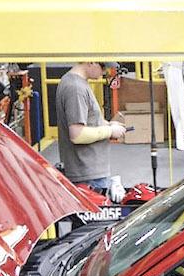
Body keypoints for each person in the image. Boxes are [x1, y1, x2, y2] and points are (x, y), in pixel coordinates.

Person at [54, 62, 128, 199]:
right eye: (103, 67)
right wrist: (110, 131)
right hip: (87, 174)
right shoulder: (75, 88)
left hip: (90, 172)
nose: (105, 72)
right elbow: (77, 134)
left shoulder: (78, 84)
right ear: (91, 61)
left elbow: (87, 120)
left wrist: (107, 124)